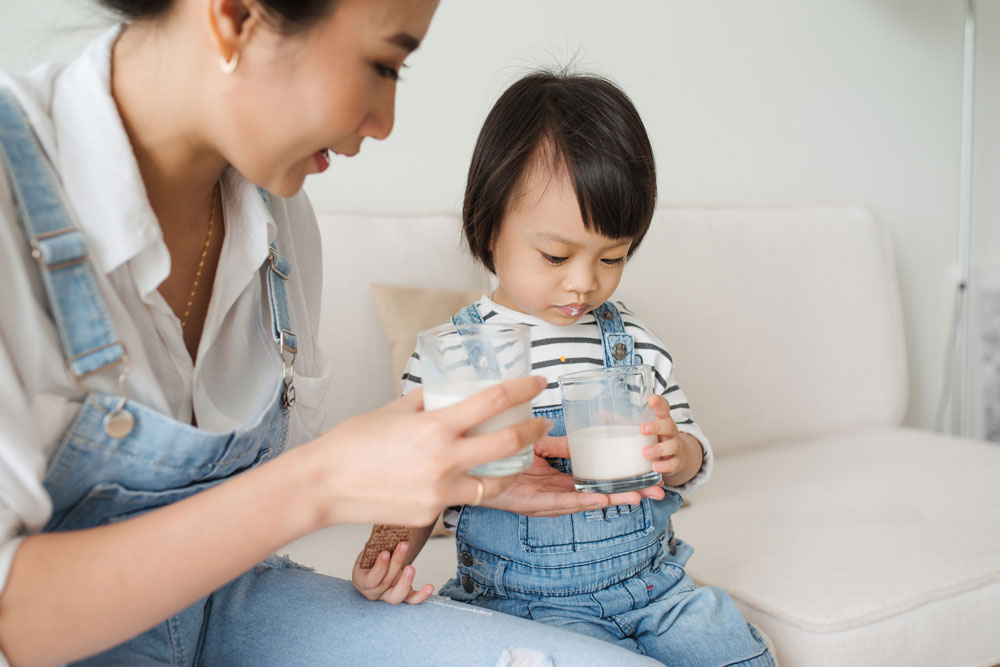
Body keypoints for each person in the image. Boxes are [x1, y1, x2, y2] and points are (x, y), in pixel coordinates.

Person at [0, 2, 668, 664]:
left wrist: (442, 486)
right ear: (234, 16)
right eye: (382, 64)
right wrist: (323, 480)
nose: (384, 122)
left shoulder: (278, 218)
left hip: (231, 607)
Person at [353, 71, 776, 666]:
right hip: (522, 603)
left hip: (655, 589)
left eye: (613, 257)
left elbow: (690, 448)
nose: (584, 282)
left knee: (740, 655)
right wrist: (383, 555)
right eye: (556, 255)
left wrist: (678, 452)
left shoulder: (633, 342)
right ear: (490, 224)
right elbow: (418, 483)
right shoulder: (455, 353)